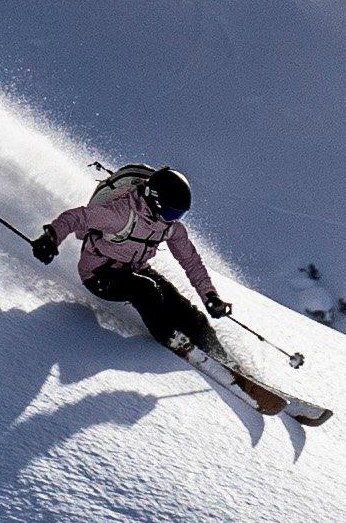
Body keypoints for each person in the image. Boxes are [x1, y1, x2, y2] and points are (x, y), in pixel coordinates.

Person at [35, 162, 298, 416]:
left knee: (191, 313)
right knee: (146, 290)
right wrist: (51, 237)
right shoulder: (119, 214)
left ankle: (226, 362)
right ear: (155, 201)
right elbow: (76, 217)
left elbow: (191, 261)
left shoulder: (170, 228)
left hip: (134, 269)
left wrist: (210, 297)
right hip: (100, 274)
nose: (174, 220)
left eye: (179, 215)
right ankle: (172, 337)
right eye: (172, 213)